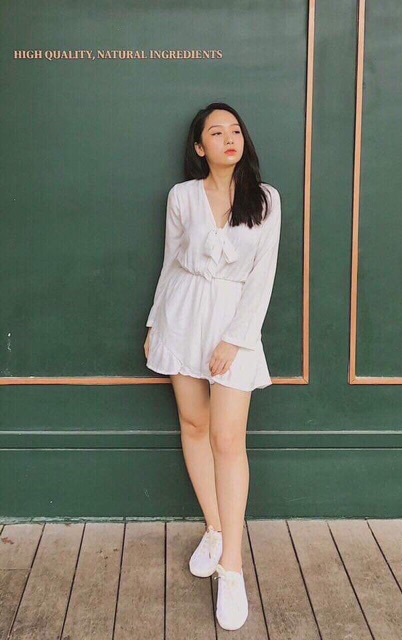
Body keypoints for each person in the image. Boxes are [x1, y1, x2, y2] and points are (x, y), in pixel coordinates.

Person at [143, 102, 282, 631]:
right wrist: (156, 322)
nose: (229, 138)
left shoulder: (265, 199)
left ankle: (232, 569)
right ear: (200, 147)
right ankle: (216, 529)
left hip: (233, 322)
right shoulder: (182, 196)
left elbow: (262, 278)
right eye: (217, 132)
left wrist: (235, 339)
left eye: (236, 130)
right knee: (194, 425)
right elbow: (170, 263)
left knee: (228, 439)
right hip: (182, 315)